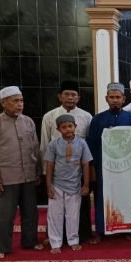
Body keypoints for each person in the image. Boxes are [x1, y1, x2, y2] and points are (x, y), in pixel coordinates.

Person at [0, 86, 43, 260]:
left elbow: (35, 148)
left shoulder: (28, 122)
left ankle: (30, 241)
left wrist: (38, 171)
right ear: (3, 102)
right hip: (5, 178)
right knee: (3, 216)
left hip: (28, 176)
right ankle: (2, 247)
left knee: (30, 213)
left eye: (21, 101)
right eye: (15, 101)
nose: (20, 104)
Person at [87, 82, 131, 242]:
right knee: (102, 197)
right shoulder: (97, 119)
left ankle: (128, 229)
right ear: (106, 99)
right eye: (112, 97)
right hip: (103, 166)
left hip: (126, 167)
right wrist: (93, 168)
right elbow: (91, 144)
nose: (115, 100)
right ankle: (101, 230)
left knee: (126, 195)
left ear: (123, 99)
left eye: (118, 97)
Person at [40, 80, 93, 243]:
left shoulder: (87, 117)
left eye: (73, 95)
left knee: (79, 207)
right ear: (59, 96)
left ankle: (81, 236)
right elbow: (44, 144)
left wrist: (87, 179)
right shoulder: (49, 116)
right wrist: (46, 176)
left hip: (78, 172)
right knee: (56, 207)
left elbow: (87, 146)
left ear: (78, 98)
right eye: (66, 94)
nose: (70, 97)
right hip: (57, 172)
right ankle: (54, 237)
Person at [44, 114, 93, 253]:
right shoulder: (54, 144)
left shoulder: (82, 143)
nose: (67, 129)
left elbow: (86, 164)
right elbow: (49, 165)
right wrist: (48, 185)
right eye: (64, 127)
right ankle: (55, 242)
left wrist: (86, 185)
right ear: (58, 129)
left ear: (75, 127)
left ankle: (73, 240)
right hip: (57, 185)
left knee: (73, 215)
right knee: (55, 215)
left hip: (75, 185)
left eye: (70, 126)